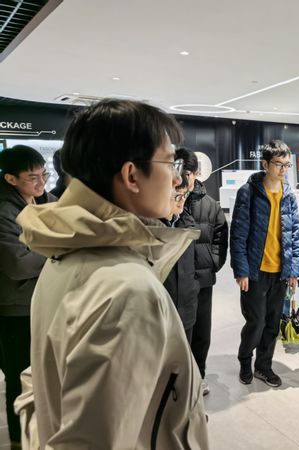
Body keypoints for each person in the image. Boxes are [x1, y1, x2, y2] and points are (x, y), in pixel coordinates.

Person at [16, 99, 209, 448]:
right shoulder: (126, 290)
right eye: (170, 163)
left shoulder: (63, 253)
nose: (178, 178)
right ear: (132, 175)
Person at [231, 139, 299, 388]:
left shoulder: (289, 195)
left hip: (280, 272)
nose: (284, 170)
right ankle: (244, 360)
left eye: (287, 165)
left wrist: (293, 271)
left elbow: (294, 235)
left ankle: (263, 366)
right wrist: (241, 270)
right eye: (279, 164)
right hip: (255, 271)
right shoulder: (248, 192)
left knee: (272, 323)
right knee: (256, 322)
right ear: (265, 164)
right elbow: (238, 234)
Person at [0, 145, 54, 446]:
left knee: (44, 374)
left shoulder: (45, 200)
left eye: (44, 174)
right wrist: (57, 251)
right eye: (33, 177)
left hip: (44, 300)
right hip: (15, 308)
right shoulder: (4, 210)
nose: (41, 182)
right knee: (20, 375)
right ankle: (20, 440)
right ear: (10, 178)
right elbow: (18, 263)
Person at [178, 147, 228, 397]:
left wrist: (212, 263)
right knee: (178, 332)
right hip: (175, 281)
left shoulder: (210, 205)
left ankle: (199, 376)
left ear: (195, 173)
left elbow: (220, 237)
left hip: (202, 279)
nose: (181, 178)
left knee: (201, 332)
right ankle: (179, 381)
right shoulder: (166, 201)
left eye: (186, 173)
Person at [161, 176, 199, 343]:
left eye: (184, 195)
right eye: (177, 195)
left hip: (186, 309)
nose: (182, 200)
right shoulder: (152, 228)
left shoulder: (188, 223)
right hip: (162, 313)